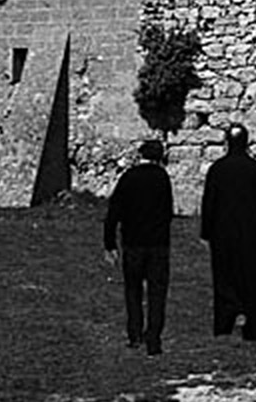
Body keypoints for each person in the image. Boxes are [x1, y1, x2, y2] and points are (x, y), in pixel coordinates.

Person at [199, 123, 256, 340]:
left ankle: (225, 320)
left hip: (223, 232)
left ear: (227, 143)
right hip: (253, 232)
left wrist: (206, 231)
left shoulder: (217, 170)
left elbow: (209, 203)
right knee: (254, 279)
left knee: (225, 277)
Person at [103, 139, 175, 355]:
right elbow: (168, 211)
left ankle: (134, 335)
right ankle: (154, 338)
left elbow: (114, 211)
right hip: (158, 244)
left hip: (133, 243)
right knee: (157, 292)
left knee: (133, 290)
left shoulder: (129, 177)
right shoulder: (162, 178)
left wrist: (110, 244)